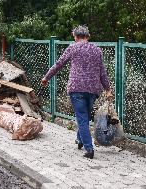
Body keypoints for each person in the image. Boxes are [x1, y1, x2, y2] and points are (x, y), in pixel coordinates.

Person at [41, 25, 113, 159]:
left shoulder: (72, 47)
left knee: (82, 117)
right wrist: (107, 89)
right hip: (93, 90)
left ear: (75, 36)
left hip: (76, 88)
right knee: (83, 117)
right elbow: (102, 72)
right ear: (88, 36)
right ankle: (80, 140)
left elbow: (59, 64)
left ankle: (89, 148)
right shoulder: (97, 50)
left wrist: (46, 77)